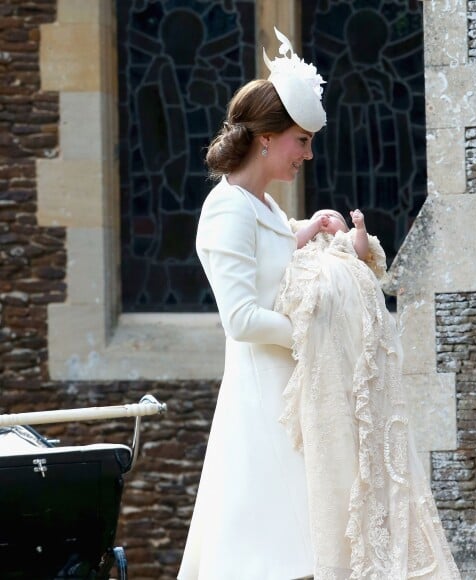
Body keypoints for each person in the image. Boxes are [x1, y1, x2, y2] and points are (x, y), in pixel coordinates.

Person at [177, 27, 326, 580]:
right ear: (266, 138)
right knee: (271, 555)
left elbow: (280, 244)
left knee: (305, 549)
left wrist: (312, 229)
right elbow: (240, 319)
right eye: (302, 141)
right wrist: (313, 330)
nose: (307, 154)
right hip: (261, 400)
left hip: (289, 395)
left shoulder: (261, 204)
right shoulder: (226, 209)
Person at [275, 210, 462, 579]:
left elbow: (363, 254)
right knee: (342, 464)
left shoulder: (343, 248)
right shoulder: (295, 239)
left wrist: (354, 228)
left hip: (361, 368)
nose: (327, 222)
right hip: (330, 370)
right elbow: (280, 252)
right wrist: (312, 226)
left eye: (330, 219)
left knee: (377, 463)